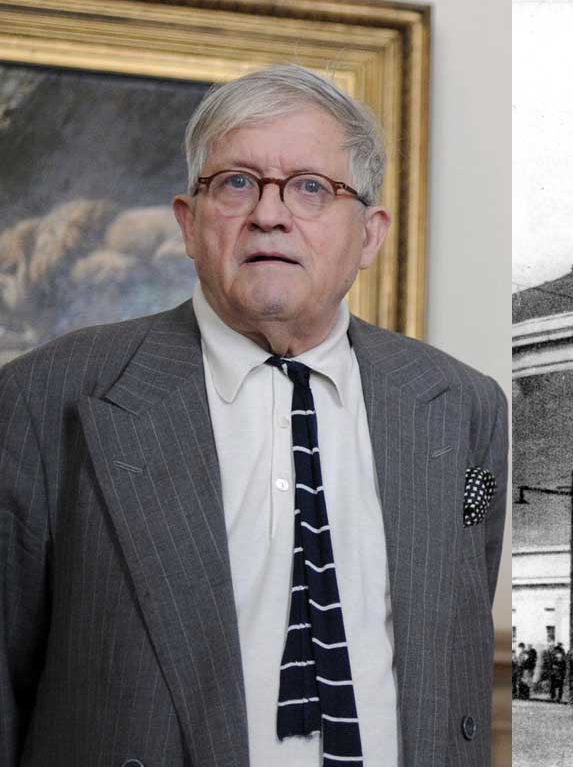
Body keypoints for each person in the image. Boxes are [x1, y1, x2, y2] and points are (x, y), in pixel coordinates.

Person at [0, 64, 508, 767]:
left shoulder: (463, 405)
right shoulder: (43, 396)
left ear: (370, 235)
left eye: (311, 187)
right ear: (188, 222)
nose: (269, 214)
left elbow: (453, 659)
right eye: (237, 182)